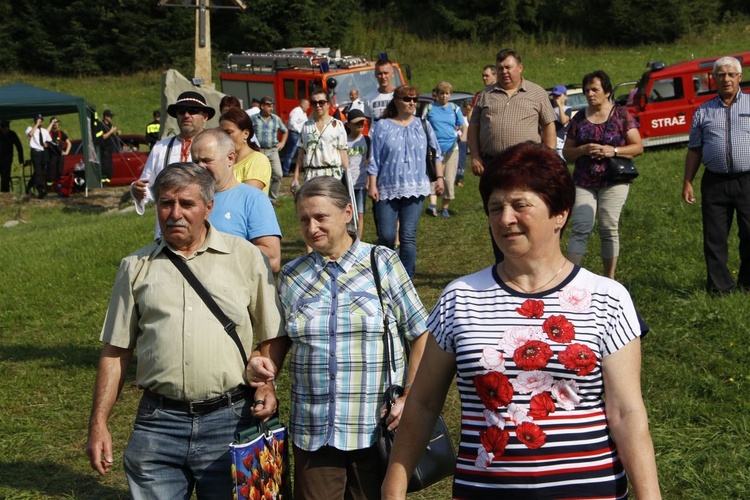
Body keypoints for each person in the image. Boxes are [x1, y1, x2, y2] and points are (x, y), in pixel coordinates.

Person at [382, 142, 661, 500]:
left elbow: (626, 412)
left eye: (520, 205)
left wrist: (649, 495)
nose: (505, 218)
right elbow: (422, 403)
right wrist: (395, 482)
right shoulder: (460, 298)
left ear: (560, 212)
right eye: (495, 208)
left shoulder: (608, 298)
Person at [86, 163, 284, 499]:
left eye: (187, 204)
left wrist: (267, 383)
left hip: (230, 420)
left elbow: (272, 335)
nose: (175, 213)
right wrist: (98, 422)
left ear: (209, 207)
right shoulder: (135, 267)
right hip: (157, 425)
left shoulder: (246, 258)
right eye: (166, 203)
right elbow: (116, 351)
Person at [250, 175, 429, 500]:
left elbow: (421, 334)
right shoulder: (292, 275)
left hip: (377, 428)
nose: (311, 227)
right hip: (313, 429)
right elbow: (278, 339)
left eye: (320, 217)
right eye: (304, 219)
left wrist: (410, 398)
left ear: (348, 213)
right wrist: (267, 382)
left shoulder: (383, 263)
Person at [563, 70, 643, 280]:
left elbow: (638, 147)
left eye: (594, 89)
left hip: (613, 181)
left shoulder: (621, 115)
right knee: (580, 228)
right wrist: (583, 150)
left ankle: (610, 278)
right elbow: (567, 153)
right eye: (587, 90)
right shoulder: (579, 118)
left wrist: (613, 151)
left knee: (608, 227)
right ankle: (570, 278)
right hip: (583, 181)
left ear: (606, 92)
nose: (590, 94)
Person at [683, 56, 750, 294]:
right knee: (714, 238)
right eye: (721, 75)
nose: (727, 79)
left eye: (731, 74)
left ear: (740, 77)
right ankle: (720, 288)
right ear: (714, 79)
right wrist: (688, 181)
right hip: (714, 182)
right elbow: (694, 149)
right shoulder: (703, 111)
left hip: (747, 180)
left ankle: (747, 283)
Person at [367, 85, 444, 278]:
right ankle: (384, 274)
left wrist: (440, 178)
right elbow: (374, 158)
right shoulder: (382, 126)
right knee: (385, 235)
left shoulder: (423, 125)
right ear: (397, 101)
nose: (411, 103)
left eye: (414, 99)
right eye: (407, 99)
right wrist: (372, 183)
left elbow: (436, 154)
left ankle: (406, 278)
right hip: (386, 187)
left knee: (407, 236)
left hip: (415, 187)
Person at [191, 129, 281, 272]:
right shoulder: (187, 200)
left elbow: (272, 258)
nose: (200, 167)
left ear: (230, 158)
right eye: (195, 161)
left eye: (207, 160)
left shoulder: (253, 199)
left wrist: (210, 259)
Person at [131, 91, 215, 220]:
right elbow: (148, 186)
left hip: (208, 221)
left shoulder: (216, 145)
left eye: (192, 110)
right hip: (170, 223)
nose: (186, 115)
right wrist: (137, 191)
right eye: (181, 111)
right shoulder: (161, 148)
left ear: (205, 117)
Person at [424, 81, 467, 217]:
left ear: (450, 95)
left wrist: (463, 134)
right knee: (434, 178)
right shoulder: (430, 108)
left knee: (448, 179)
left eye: (447, 93)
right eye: (441, 93)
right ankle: (433, 205)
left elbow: (462, 124)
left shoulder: (455, 108)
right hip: (433, 150)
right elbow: (422, 125)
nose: (444, 96)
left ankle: (445, 208)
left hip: (451, 149)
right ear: (436, 94)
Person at [292, 90, 349, 188]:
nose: (318, 105)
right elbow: (301, 153)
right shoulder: (306, 126)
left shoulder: (338, 125)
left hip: (333, 176)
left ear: (328, 104)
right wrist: (295, 177)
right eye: (314, 103)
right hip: (311, 176)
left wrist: (348, 179)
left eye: (321, 102)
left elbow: (343, 153)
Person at [220, 107, 271, 194]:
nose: (223, 137)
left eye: (228, 132)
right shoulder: (222, 161)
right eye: (221, 133)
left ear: (245, 134)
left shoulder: (258, 160)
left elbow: (246, 196)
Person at [251, 97, 287, 206]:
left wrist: (282, 143)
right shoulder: (253, 118)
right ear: (262, 106)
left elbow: (285, 131)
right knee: (259, 176)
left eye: (272, 106)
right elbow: (246, 131)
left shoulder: (276, 119)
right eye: (269, 106)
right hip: (259, 151)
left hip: (272, 151)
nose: (271, 108)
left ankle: (272, 199)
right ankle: (259, 199)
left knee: (278, 174)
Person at [346, 109, 369, 238]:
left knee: (360, 213)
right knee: (348, 213)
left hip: (361, 183)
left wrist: (369, 181)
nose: (360, 125)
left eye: (362, 123)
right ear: (349, 124)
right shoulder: (344, 140)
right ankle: (348, 238)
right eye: (357, 123)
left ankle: (358, 240)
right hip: (347, 183)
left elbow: (369, 161)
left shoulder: (366, 140)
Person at [25, 113, 52, 198]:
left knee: (40, 172)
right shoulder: (30, 129)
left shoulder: (44, 131)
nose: (41, 122)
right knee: (38, 171)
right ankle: (40, 190)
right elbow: (30, 135)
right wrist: (36, 125)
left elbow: (49, 141)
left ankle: (29, 186)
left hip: (42, 153)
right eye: (39, 120)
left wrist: (46, 144)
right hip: (35, 152)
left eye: (41, 121)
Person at [363, 58, 397, 124]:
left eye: (386, 73)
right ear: (375, 75)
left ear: (392, 73)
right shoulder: (368, 98)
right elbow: (368, 123)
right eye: (380, 73)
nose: (383, 76)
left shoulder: (402, 97)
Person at [282, 98, 309, 176]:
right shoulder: (296, 111)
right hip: (295, 134)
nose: (308, 107)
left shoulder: (304, 113)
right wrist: (300, 131)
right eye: (307, 105)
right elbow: (292, 123)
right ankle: (286, 172)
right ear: (303, 104)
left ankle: (300, 169)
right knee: (291, 153)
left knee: (300, 153)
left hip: (300, 135)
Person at [46, 116, 72, 188]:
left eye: (57, 122)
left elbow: (69, 143)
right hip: (51, 156)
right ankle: (49, 188)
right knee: (51, 172)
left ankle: (59, 187)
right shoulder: (49, 133)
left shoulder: (61, 133)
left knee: (60, 172)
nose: (56, 124)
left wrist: (66, 152)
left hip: (60, 156)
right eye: (54, 122)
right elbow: (45, 133)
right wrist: (51, 124)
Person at [0, 120, 24, 192]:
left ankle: (4, 192)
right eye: (3, 128)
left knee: (6, 176)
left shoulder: (12, 134)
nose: (4, 130)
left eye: (6, 128)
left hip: (7, 158)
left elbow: (19, 146)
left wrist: (21, 159)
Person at [550, 84, 571, 158]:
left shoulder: (567, 109)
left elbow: (563, 121)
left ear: (565, 96)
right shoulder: (551, 109)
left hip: (560, 141)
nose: (556, 98)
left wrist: (559, 106)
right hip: (551, 141)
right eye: (554, 96)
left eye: (558, 96)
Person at [455, 100, 472, 188]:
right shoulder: (459, 117)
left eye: (469, 110)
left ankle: (458, 178)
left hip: (465, 142)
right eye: (466, 109)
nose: (467, 111)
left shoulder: (470, 118)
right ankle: (455, 179)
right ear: (463, 108)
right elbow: (456, 127)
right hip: (458, 140)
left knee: (462, 160)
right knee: (457, 160)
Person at [99, 109, 118, 184]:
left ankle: (107, 181)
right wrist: (111, 131)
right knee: (105, 167)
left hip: (110, 150)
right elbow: (102, 137)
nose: (111, 118)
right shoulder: (101, 125)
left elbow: (111, 137)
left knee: (110, 168)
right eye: (110, 117)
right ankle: (103, 182)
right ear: (106, 117)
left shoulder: (110, 125)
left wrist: (117, 134)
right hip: (104, 150)